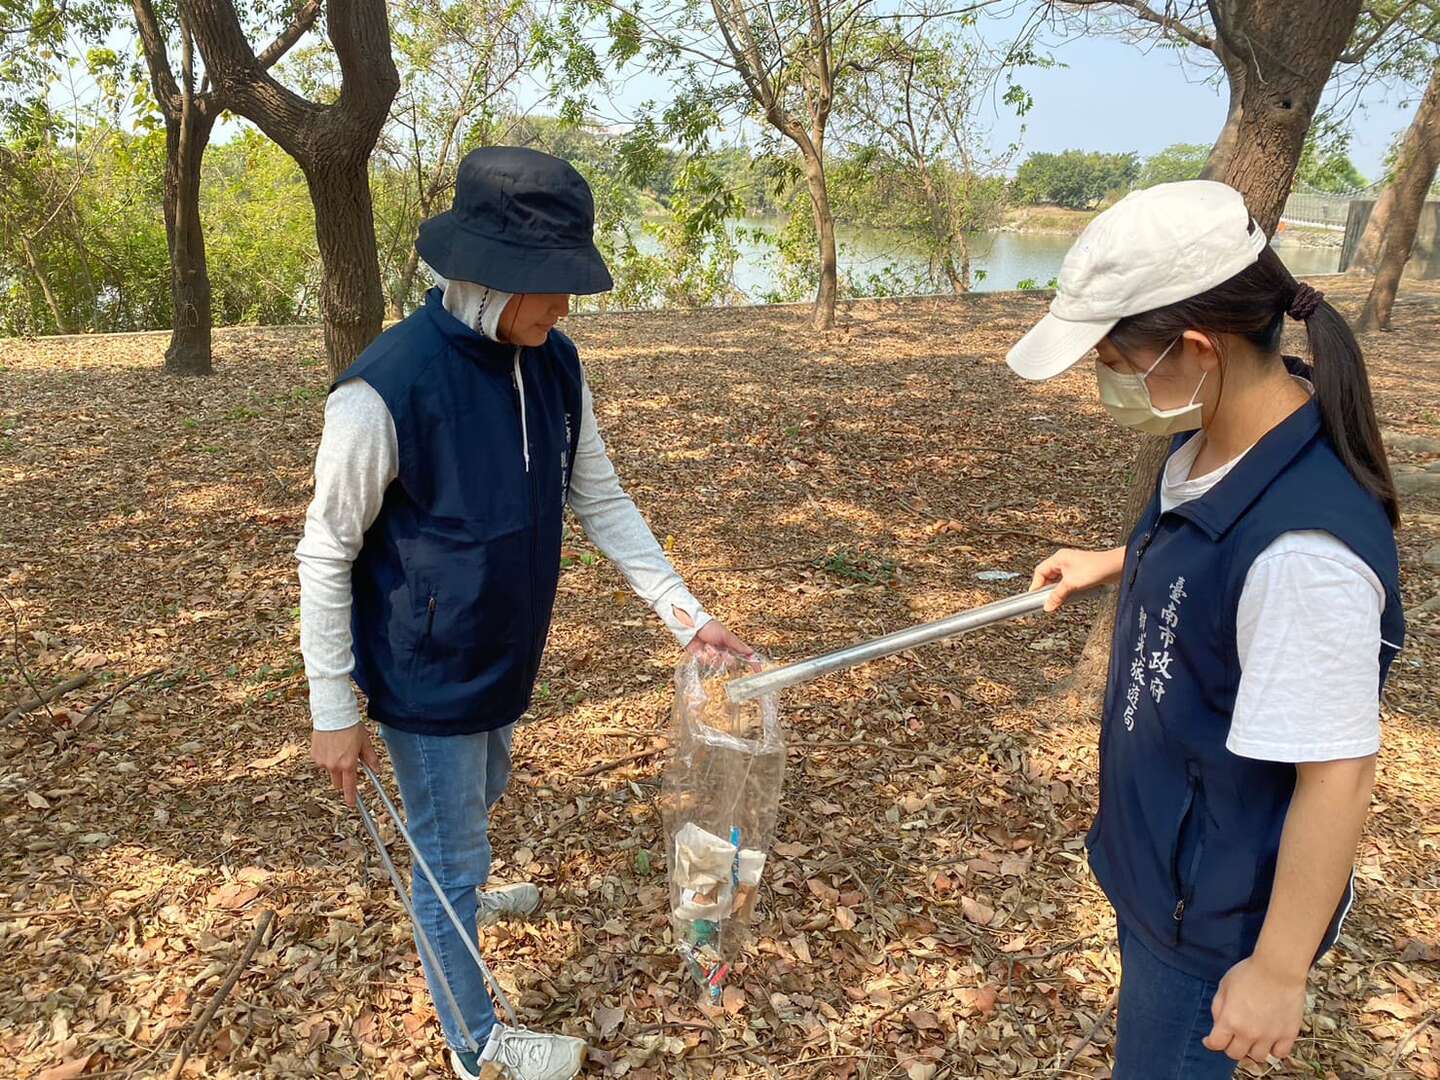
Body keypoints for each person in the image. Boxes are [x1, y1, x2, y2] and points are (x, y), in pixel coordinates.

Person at [295, 146, 750, 1080]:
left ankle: (457, 878)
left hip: (505, 654)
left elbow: (603, 499)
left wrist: (685, 616)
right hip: (424, 673)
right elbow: (325, 551)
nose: (564, 307)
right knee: (448, 855)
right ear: (482, 275)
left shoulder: (554, 363)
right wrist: (334, 709)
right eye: (548, 287)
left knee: (478, 800)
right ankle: (475, 1042)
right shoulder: (382, 391)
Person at [1005, 180, 1404, 1078]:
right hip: (1162, 863)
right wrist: (1116, 558)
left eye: (1112, 359)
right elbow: (1210, 558)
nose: (1105, 382)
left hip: (1214, 918)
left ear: (1195, 348)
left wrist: (1277, 967)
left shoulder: (1305, 556)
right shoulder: (1213, 440)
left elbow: (1337, 775)